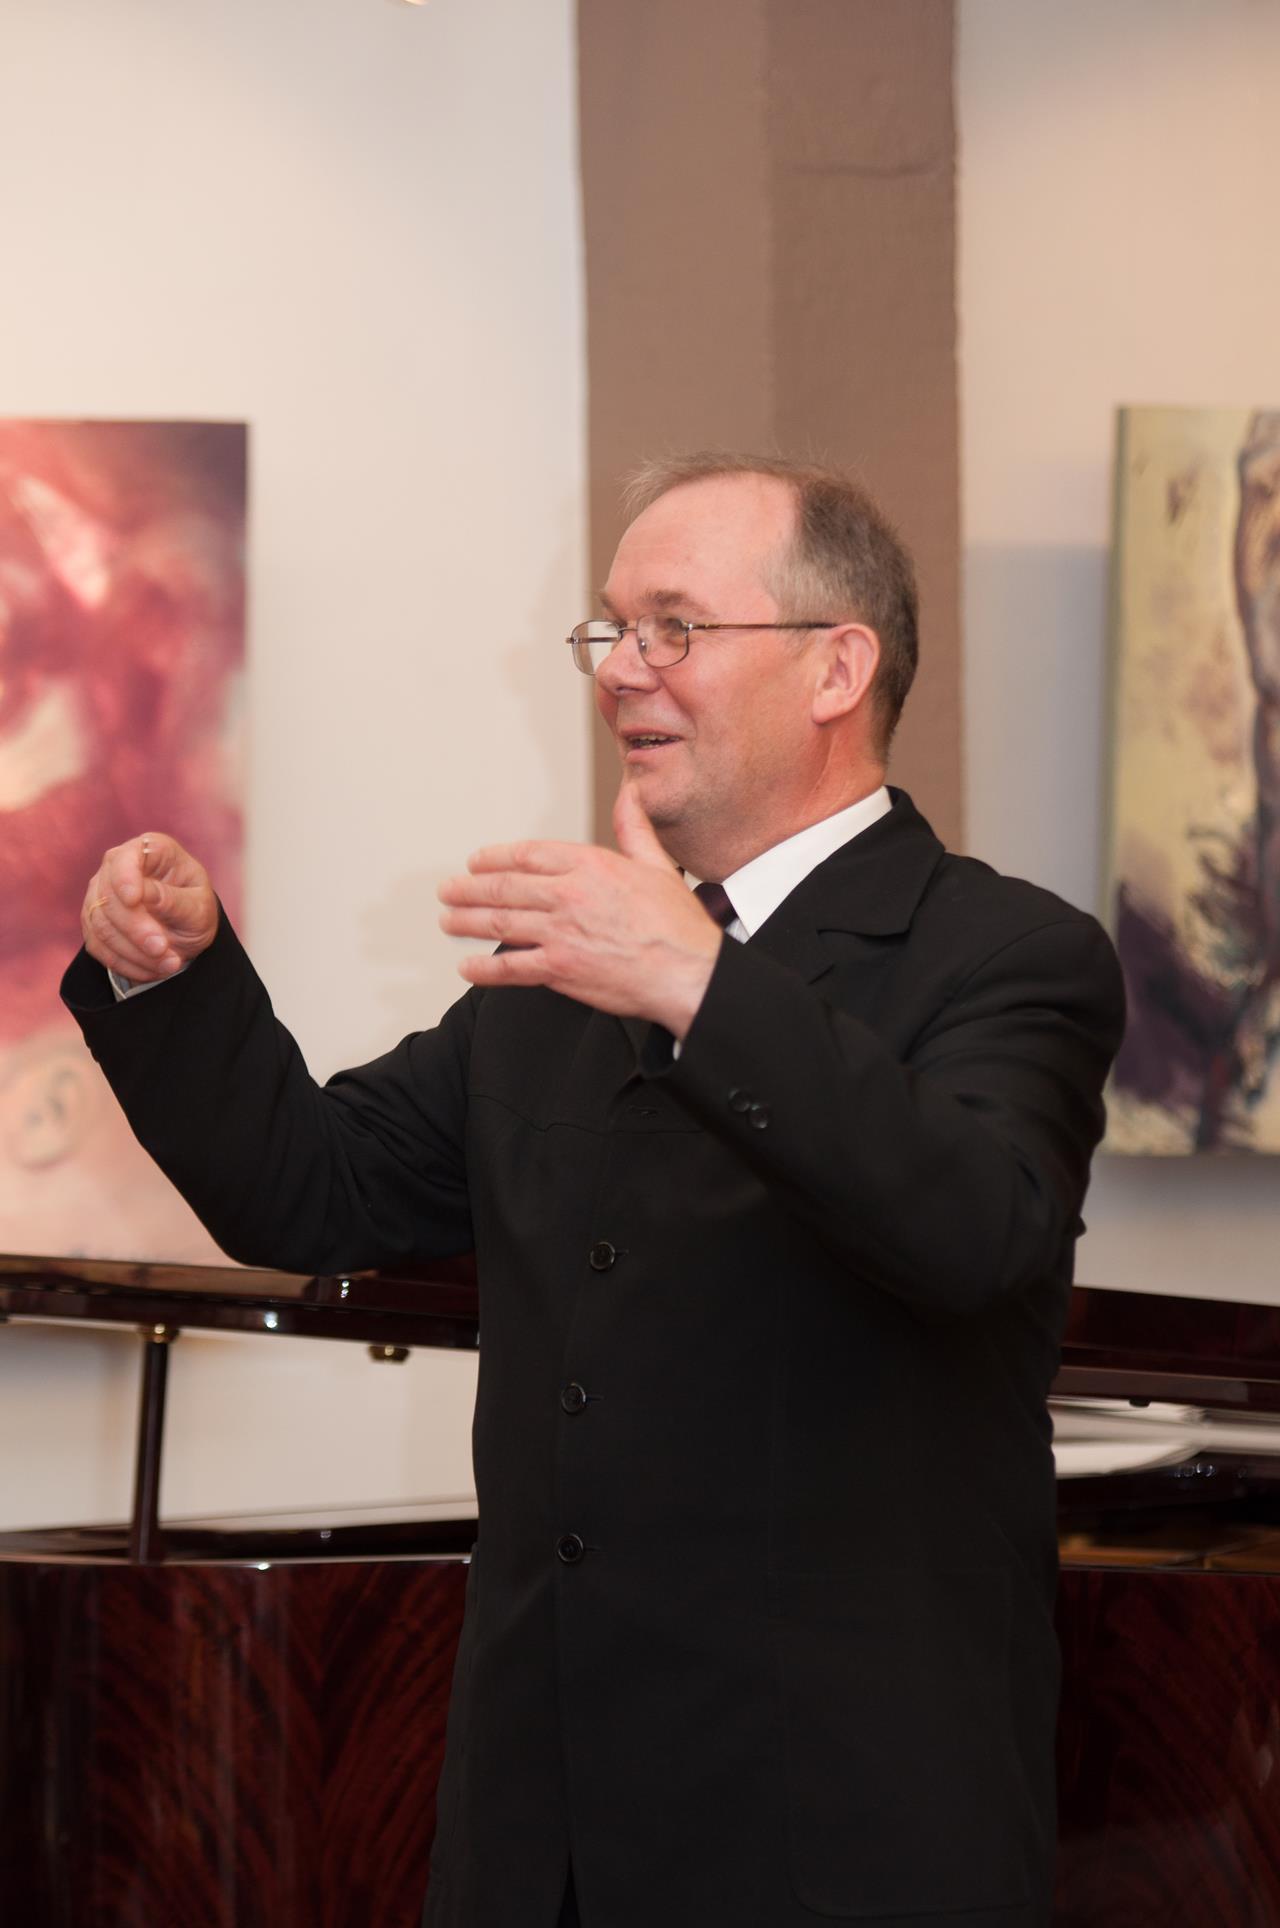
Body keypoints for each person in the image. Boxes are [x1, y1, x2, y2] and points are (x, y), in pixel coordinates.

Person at [64, 454, 1125, 1928]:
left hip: (834, 1839)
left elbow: (973, 1228)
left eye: (673, 626)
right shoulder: (570, 973)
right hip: (540, 1837)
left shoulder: (1009, 956)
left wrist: (696, 983)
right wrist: (170, 981)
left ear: (837, 668)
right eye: (612, 629)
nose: (622, 668)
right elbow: (312, 1191)